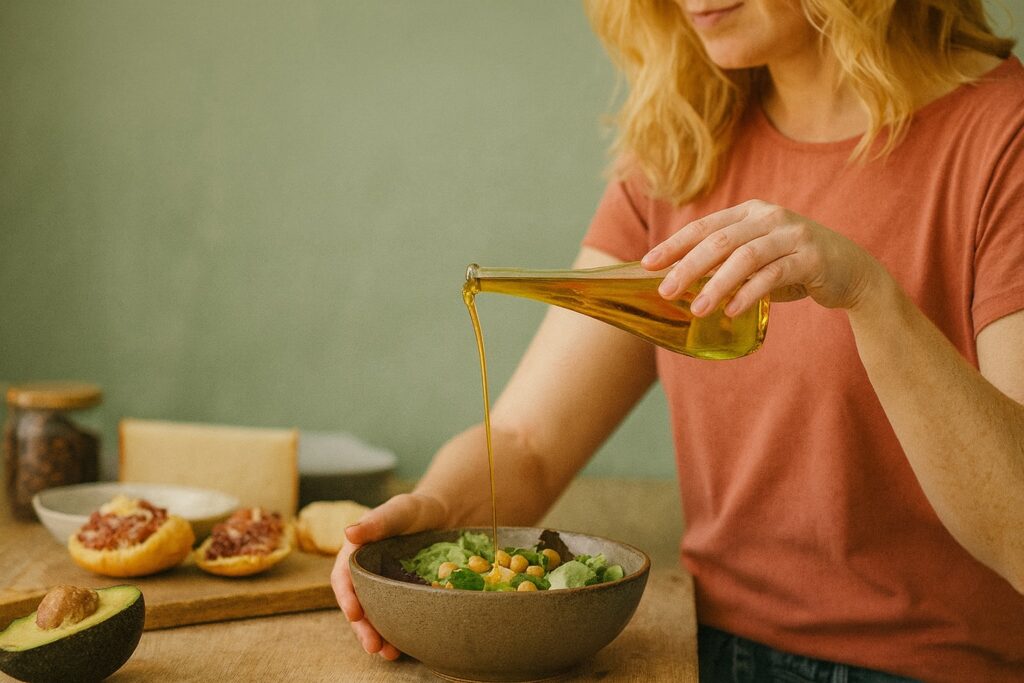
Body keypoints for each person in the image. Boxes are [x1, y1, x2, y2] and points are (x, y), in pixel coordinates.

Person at [333, 1, 1024, 680]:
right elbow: (528, 444)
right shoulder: (685, 145)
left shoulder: (1003, 137)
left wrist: (869, 296)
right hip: (701, 653)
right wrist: (431, 516)